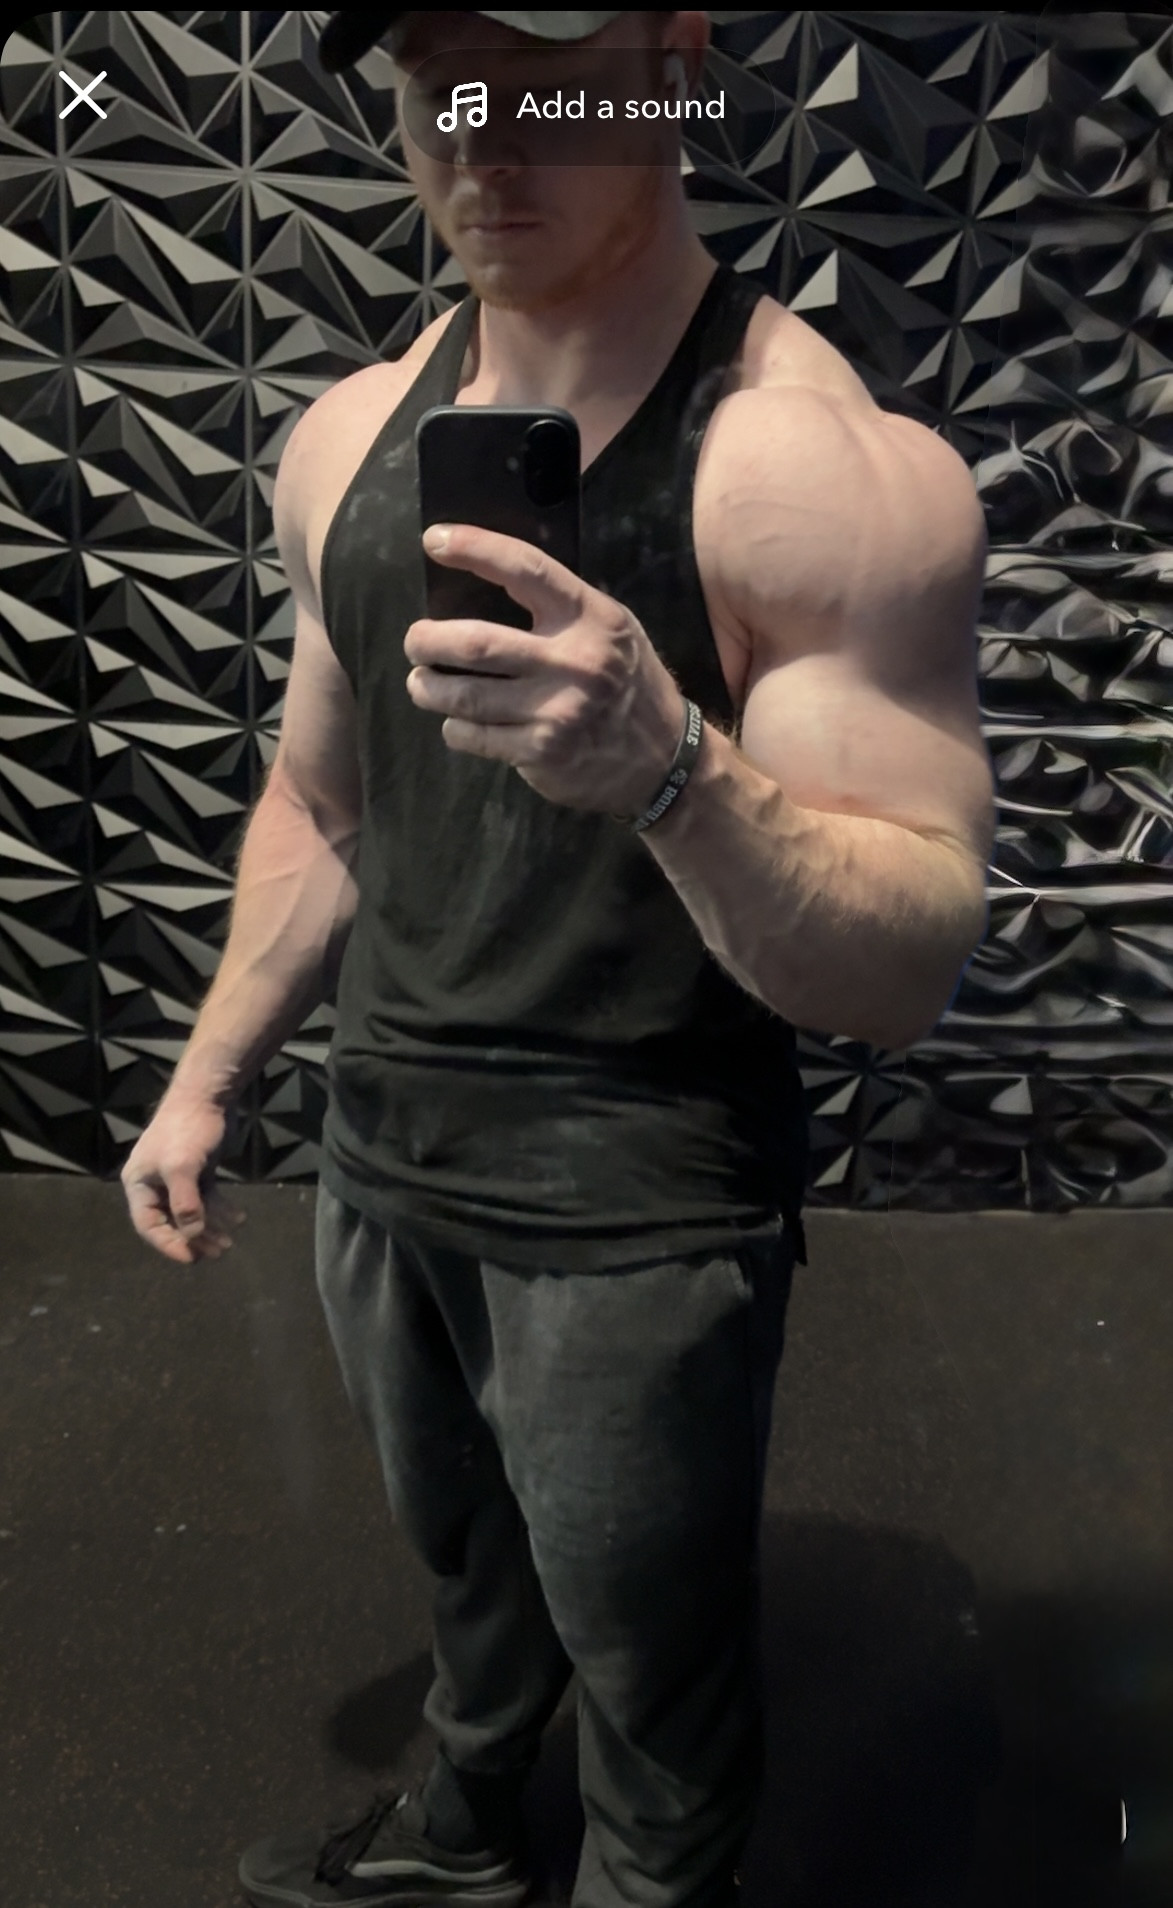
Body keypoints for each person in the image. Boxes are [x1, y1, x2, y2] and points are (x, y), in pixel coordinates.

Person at [119, 9, 996, 1907]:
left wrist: (672, 769)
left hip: (633, 1207)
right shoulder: (350, 432)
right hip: (383, 1156)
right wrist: (207, 1079)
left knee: (650, 1680)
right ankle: (461, 1833)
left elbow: (904, 963)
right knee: (466, 1576)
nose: (480, 139)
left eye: (545, 82)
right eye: (439, 83)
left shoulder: (802, 470)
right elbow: (323, 804)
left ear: (671, 67)